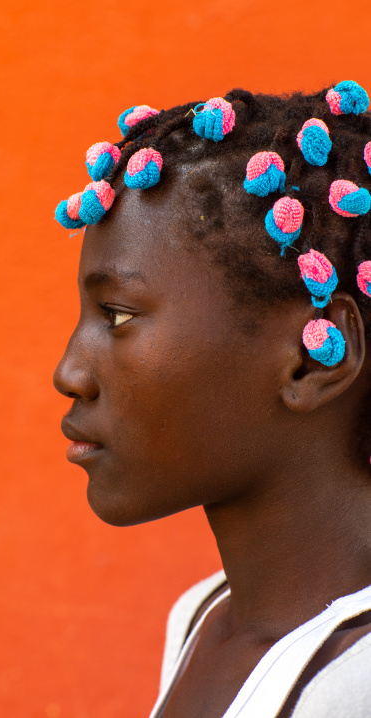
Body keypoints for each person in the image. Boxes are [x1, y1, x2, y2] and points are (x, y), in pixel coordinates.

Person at [53, 83, 371, 717]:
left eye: (117, 315)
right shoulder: (204, 616)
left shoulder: (354, 683)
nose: (69, 373)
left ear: (311, 357)